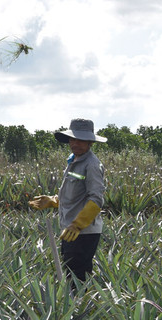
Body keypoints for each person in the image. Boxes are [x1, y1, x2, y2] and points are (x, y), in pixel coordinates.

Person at [29, 118, 106, 283]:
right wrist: (53, 200)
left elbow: (96, 199)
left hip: (83, 232)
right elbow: (75, 195)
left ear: (90, 142)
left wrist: (77, 224)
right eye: (73, 139)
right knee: (70, 273)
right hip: (69, 229)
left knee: (77, 277)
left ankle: (79, 307)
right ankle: (74, 305)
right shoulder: (74, 160)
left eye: (81, 140)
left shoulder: (91, 164)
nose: (75, 143)